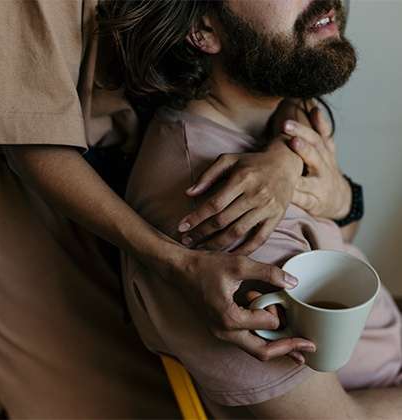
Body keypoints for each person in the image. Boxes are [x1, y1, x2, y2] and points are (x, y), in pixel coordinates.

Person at [0, 0, 319, 418]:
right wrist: (176, 263)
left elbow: (276, 52)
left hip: (145, 169)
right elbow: (34, 145)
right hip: (44, 202)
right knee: (90, 393)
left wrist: (285, 155)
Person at [114, 0, 402, 418]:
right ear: (203, 30)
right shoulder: (232, 219)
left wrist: (323, 185)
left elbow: (335, 242)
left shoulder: (276, 125)